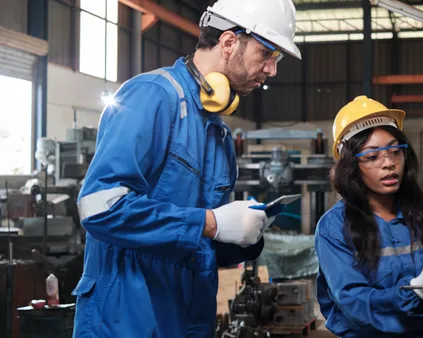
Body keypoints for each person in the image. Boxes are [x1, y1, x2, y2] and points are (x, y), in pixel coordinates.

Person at [70, 0, 302, 336]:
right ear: (228, 41)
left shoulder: (219, 134)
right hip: (126, 316)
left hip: (188, 317)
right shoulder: (152, 96)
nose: (272, 69)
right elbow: (100, 208)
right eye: (266, 53)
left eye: (276, 58)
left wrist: (242, 236)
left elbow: (196, 239)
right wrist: (209, 222)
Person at [315, 96, 423, 338]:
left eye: (395, 151)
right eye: (372, 156)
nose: (389, 163)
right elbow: (353, 301)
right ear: (350, 166)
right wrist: (417, 292)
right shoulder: (334, 228)